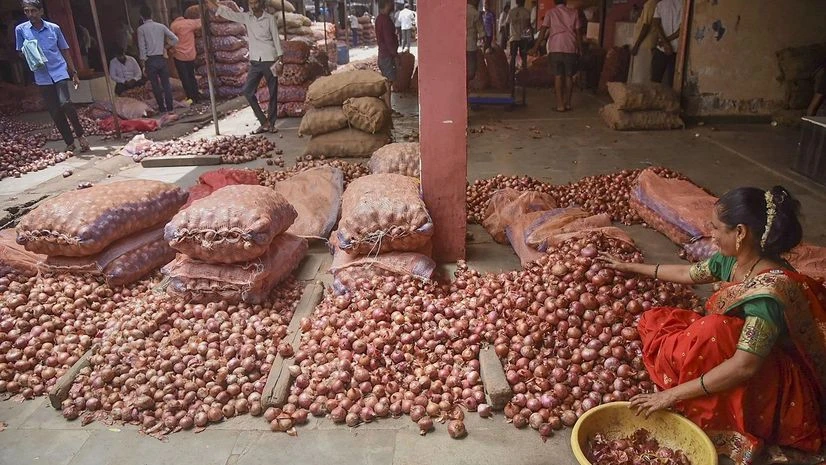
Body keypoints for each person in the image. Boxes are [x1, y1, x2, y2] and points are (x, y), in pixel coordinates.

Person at [603, 186, 826, 464]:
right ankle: (702, 376)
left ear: (741, 232)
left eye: (717, 228)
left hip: (767, 377)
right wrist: (631, 267)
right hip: (731, 348)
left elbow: (745, 365)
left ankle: (721, 409)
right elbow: (689, 272)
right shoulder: (734, 259)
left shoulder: (768, 293)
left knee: (713, 330)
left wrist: (670, 395)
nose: (713, 235)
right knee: (659, 320)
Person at [15, 0, 89, 152]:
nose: (30, 15)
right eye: (27, 11)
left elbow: (65, 50)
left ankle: (81, 135)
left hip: (59, 71)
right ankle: (69, 142)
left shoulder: (54, 28)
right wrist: (29, 52)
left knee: (66, 103)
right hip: (41, 75)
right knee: (55, 110)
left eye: (33, 11)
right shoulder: (20, 30)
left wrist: (73, 72)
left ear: (41, 11)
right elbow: (19, 52)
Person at [209, 0, 283, 134]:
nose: (253, 6)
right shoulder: (247, 17)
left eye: (255, 3)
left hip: (270, 59)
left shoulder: (269, 19)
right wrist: (211, 4)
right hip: (255, 60)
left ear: (261, 4)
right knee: (248, 91)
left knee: (273, 93)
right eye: (251, 3)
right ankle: (263, 121)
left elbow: (276, 38)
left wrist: (280, 59)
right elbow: (229, 14)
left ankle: (271, 124)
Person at [534, 0, 581, 112]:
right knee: (569, 76)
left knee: (558, 76)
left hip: (556, 47)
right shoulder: (574, 12)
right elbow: (578, 32)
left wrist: (535, 47)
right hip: (570, 46)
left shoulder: (551, 12)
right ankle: (568, 103)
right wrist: (581, 49)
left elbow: (543, 30)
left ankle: (560, 105)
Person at [137, 5, 178, 113]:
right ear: (152, 15)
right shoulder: (161, 26)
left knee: (155, 86)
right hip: (161, 58)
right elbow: (175, 39)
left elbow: (142, 48)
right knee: (166, 84)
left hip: (150, 60)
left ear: (141, 16)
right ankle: (170, 107)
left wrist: (143, 64)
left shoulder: (141, 29)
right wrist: (166, 47)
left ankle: (162, 108)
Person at [169, 8, 202, 103]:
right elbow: (201, 22)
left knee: (184, 78)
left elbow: (171, 39)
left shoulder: (174, 25)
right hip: (191, 54)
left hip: (179, 56)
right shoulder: (190, 23)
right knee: (192, 76)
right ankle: (196, 96)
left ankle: (190, 97)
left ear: (172, 16)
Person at [651, 0, 681, 86]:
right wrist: (667, 42)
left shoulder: (660, 4)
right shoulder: (683, 5)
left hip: (662, 48)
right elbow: (681, 30)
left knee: (655, 81)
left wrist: (665, 43)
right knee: (673, 83)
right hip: (677, 49)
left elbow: (656, 25)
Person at [628, 0, 659, 84]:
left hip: (644, 44)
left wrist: (636, 45)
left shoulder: (650, 4)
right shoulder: (653, 3)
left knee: (640, 76)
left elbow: (646, 26)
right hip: (646, 44)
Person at [375, 0, 398, 111]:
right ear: (388, 4)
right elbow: (389, 40)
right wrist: (395, 54)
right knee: (388, 82)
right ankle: (388, 108)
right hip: (387, 55)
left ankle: (387, 106)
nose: (393, 5)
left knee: (387, 81)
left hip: (383, 54)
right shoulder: (385, 20)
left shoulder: (379, 19)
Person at [508, 0, 532, 79]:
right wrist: (529, 39)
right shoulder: (526, 12)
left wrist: (508, 37)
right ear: (524, 2)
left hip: (513, 38)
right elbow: (528, 26)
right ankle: (524, 76)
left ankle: (511, 76)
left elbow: (506, 25)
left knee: (513, 57)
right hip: (523, 38)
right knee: (524, 57)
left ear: (516, 2)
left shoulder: (511, 12)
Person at [466, 0, 484, 83]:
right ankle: (466, 84)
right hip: (471, 45)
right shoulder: (475, 13)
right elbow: (481, 32)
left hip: (458, 46)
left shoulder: (459, 11)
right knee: (471, 71)